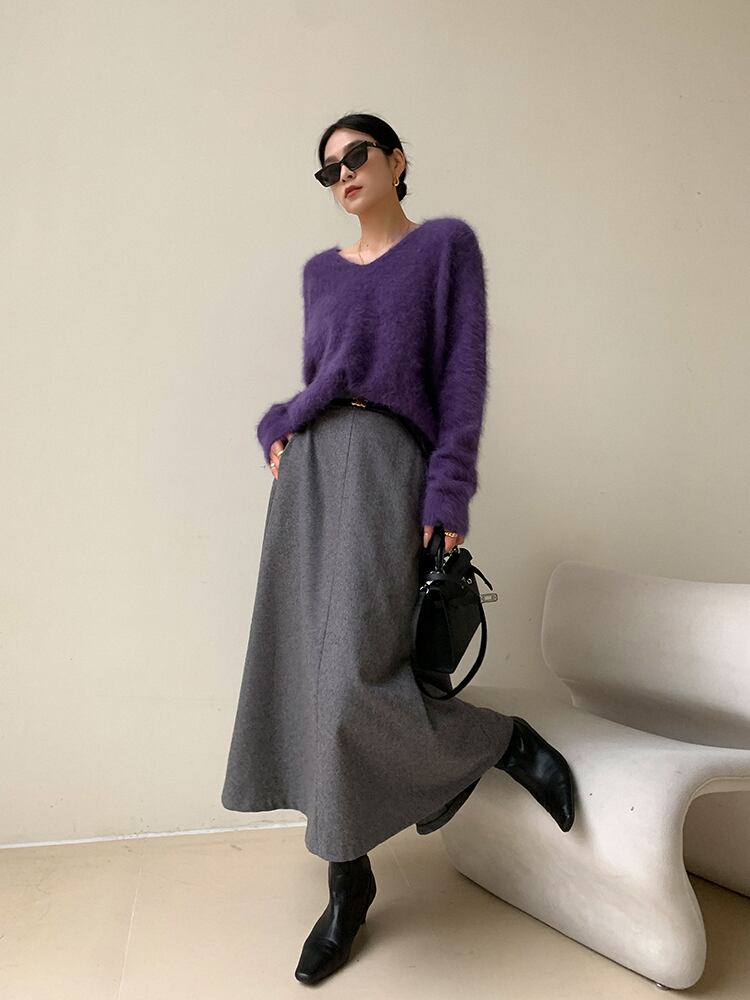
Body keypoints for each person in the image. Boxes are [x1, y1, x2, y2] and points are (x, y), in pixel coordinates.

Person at [221, 112, 576, 986]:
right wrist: (277, 425)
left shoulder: (446, 247)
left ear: (396, 159)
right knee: (304, 674)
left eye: (356, 156)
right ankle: (348, 883)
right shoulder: (319, 273)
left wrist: (447, 490)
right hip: (310, 474)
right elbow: (319, 379)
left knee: (354, 675)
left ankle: (501, 742)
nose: (343, 173)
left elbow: (463, 376)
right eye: (328, 169)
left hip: (389, 463)